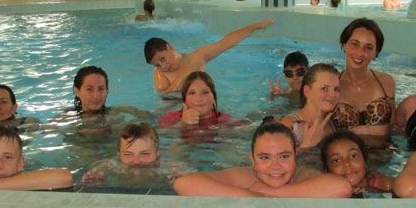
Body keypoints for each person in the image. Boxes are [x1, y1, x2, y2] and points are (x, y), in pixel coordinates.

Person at [172, 120, 352, 198]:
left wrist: (273, 193)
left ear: (295, 157)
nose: (275, 166)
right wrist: (250, 195)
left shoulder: (304, 176)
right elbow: (184, 183)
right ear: (253, 160)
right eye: (265, 157)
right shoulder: (247, 176)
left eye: (284, 156)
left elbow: (342, 187)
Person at [144, 17, 274, 93]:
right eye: (157, 65)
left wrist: (254, 26)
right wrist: (187, 74)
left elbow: (226, 42)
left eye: (163, 59)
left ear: (170, 47)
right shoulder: (160, 73)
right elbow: (166, 99)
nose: (163, 66)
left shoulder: (197, 56)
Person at [332, 18, 396, 140]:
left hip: (382, 151)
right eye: (355, 44)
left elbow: (394, 127)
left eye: (368, 47)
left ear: (376, 52)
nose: (360, 53)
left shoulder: (386, 82)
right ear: (344, 45)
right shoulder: (332, 84)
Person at [81, 122, 170, 185]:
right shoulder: (111, 166)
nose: (136, 162)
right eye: (128, 154)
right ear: (119, 155)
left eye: (144, 154)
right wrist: (92, 181)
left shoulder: (168, 169)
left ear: (157, 154)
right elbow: (99, 168)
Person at [280, 63, 340, 149]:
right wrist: (307, 145)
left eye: (336, 89)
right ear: (307, 91)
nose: (333, 94)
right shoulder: (289, 125)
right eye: (324, 88)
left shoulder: (332, 122)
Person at [158, 71, 246, 130]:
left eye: (205, 92)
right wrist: (183, 124)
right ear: (184, 99)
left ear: (214, 98)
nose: (199, 98)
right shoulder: (171, 118)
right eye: (192, 93)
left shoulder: (223, 119)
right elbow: (160, 135)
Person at [319, 130, 394, 195]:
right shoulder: (323, 191)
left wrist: (368, 191)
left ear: (365, 162)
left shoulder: (385, 185)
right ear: (327, 171)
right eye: (336, 160)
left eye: (353, 156)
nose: (346, 163)